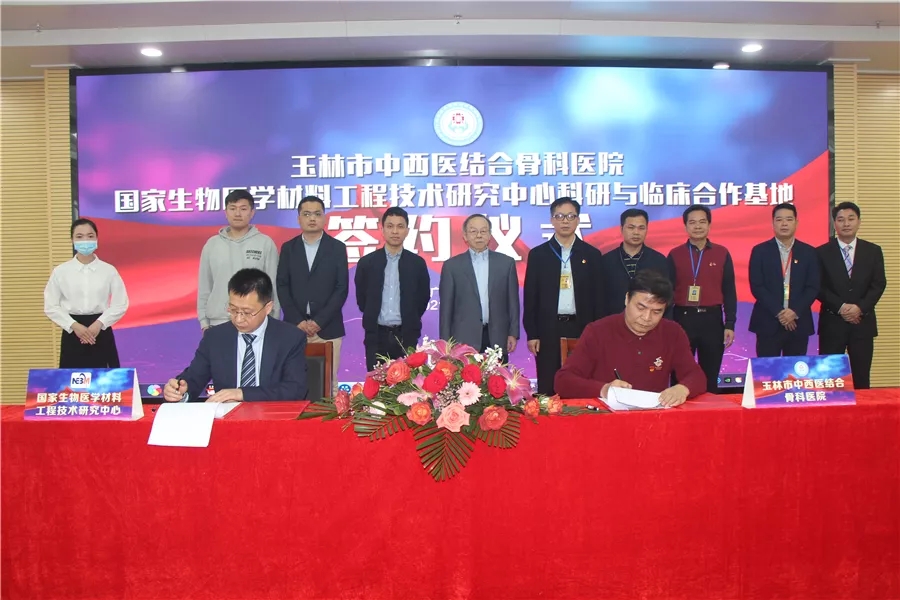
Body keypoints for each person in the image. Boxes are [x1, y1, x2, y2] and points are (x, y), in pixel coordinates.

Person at [554, 269, 706, 406]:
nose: (646, 318)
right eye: (641, 308)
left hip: (653, 419)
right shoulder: (598, 331)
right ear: (627, 299)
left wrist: (683, 388)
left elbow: (696, 375)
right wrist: (604, 389)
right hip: (606, 418)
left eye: (657, 312)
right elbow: (563, 381)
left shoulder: (672, 333)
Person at [163, 268, 307, 403]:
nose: (238, 319)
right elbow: (194, 379)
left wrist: (241, 394)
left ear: (268, 308)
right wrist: (180, 392)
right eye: (233, 310)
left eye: (247, 312)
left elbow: (295, 389)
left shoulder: (290, 338)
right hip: (226, 418)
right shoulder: (215, 338)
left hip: (271, 418)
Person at [523, 197, 604, 395]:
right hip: (548, 329)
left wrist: (598, 333)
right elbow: (531, 297)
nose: (565, 221)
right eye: (559, 216)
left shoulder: (592, 255)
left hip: (582, 327)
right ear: (552, 220)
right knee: (548, 384)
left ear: (578, 220)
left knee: (581, 381)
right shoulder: (538, 255)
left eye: (570, 216)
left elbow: (599, 298)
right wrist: (533, 334)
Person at [276, 195, 348, 395]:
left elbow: (341, 289)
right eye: (306, 214)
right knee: (292, 383)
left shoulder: (337, 248)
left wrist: (319, 321)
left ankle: (329, 417)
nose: (312, 218)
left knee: (329, 385)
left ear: (324, 218)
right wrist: (297, 320)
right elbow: (282, 286)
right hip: (294, 328)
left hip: (328, 329)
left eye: (317, 214)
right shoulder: (289, 248)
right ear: (299, 218)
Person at [667, 206, 737, 393]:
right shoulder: (675, 254)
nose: (697, 226)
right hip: (683, 319)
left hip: (712, 319)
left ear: (709, 225)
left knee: (710, 375)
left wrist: (730, 323)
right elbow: (667, 292)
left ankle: (710, 408)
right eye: (692, 222)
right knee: (680, 374)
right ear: (685, 226)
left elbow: (729, 290)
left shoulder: (722, 253)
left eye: (702, 222)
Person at [816, 202, 886, 389]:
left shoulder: (873, 251)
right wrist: (841, 307)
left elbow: (878, 284)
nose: (846, 224)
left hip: (862, 323)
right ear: (834, 224)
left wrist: (859, 308)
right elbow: (818, 287)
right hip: (832, 324)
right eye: (840, 220)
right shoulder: (821, 252)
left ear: (859, 222)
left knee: (861, 379)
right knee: (830, 381)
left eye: (851, 219)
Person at [44, 218, 129, 369]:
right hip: (72, 331)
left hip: (101, 329)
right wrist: (74, 326)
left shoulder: (108, 270)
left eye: (90, 236)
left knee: (107, 379)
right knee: (71, 380)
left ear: (97, 238)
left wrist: (99, 324)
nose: (85, 240)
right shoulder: (61, 272)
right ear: (72, 240)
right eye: (79, 236)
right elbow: (51, 306)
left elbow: (120, 304)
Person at [355, 207, 431, 371]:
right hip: (376, 336)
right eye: (390, 226)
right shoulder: (367, 263)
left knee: (407, 384)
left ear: (407, 231)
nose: (395, 231)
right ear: (382, 230)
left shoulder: (417, 264)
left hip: (406, 336)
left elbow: (422, 298)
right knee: (376, 382)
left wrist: (410, 318)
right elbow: (362, 299)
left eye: (400, 226)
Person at [197, 188, 280, 331]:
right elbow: (205, 286)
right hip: (218, 322)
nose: (237, 213)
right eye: (232, 208)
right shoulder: (212, 244)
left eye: (243, 209)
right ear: (226, 212)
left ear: (252, 213)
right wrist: (204, 322)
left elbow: (273, 287)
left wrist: (273, 321)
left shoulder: (265, 243)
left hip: (255, 322)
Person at [439, 214, 519, 358]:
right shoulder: (452, 266)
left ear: (490, 235)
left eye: (483, 231)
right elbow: (446, 309)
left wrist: (513, 333)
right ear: (465, 235)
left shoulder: (506, 263)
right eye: (473, 231)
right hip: (463, 338)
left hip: (497, 336)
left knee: (498, 373)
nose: (479, 235)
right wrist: (445, 342)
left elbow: (513, 302)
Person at [749, 203, 820, 357]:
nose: (784, 224)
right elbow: (757, 286)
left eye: (789, 219)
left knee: (795, 370)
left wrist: (794, 312)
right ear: (773, 223)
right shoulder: (760, 251)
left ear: (796, 222)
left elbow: (813, 286)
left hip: (798, 323)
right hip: (768, 322)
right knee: (767, 370)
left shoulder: (809, 252)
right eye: (779, 220)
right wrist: (780, 312)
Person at [600, 208, 671, 318]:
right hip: (613, 321)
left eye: (641, 228)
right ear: (621, 229)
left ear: (647, 229)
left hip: (648, 320)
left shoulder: (659, 260)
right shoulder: (605, 261)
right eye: (631, 227)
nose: (636, 232)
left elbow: (665, 296)